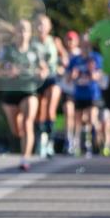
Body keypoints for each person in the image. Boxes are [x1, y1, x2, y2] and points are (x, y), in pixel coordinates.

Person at [0, 18, 47, 172]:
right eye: (20, 30)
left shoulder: (35, 50)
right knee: (16, 130)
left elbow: (44, 69)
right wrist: (7, 72)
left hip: (29, 91)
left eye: (26, 30)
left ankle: (25, 159)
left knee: (28, 123)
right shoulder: (7, 50)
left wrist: (41, 73)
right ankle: (22, 139)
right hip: (10, 94)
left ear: (30, 33)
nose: (23, 33)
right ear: (15, 32)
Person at [89, 0, 110, 157]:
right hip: (107, 76)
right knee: (109, 113)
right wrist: (93, 63)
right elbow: (89, 41)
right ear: (108, 8)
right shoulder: (102, 27)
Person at [67, 33, 104, 157]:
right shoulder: (75, 59)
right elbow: (68, 79)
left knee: (92, 119)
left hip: (92, 94)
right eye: (83, 44)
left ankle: (98, 144)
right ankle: (77, 145)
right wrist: (73, 75)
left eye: (88, 44)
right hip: (79, 94)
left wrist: (93, 72)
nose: (85, 46)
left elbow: (99, 76)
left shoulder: (96, 58)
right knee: (77, 121)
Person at [32, 14, 63, 157]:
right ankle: (41, 141)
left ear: (49, 27)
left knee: (51, 108)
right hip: (37, 80)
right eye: (38, 24)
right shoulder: (32, 43)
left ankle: (50, 142)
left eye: (44, 24)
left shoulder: (55, 41)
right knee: (40, 112)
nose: (41, 28)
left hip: (52, 78)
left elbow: (65, 58)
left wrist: (62, 66)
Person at [58, 30, 80, 154]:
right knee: (68, 112)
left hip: (80, 91)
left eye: (72, 39)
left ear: (77, 41)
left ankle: (76, 140)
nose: (69, 42)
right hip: (67, 89)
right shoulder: (63, 55)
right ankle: (68, 140)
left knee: (78, 117)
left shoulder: (80, 55)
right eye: (68, 39)